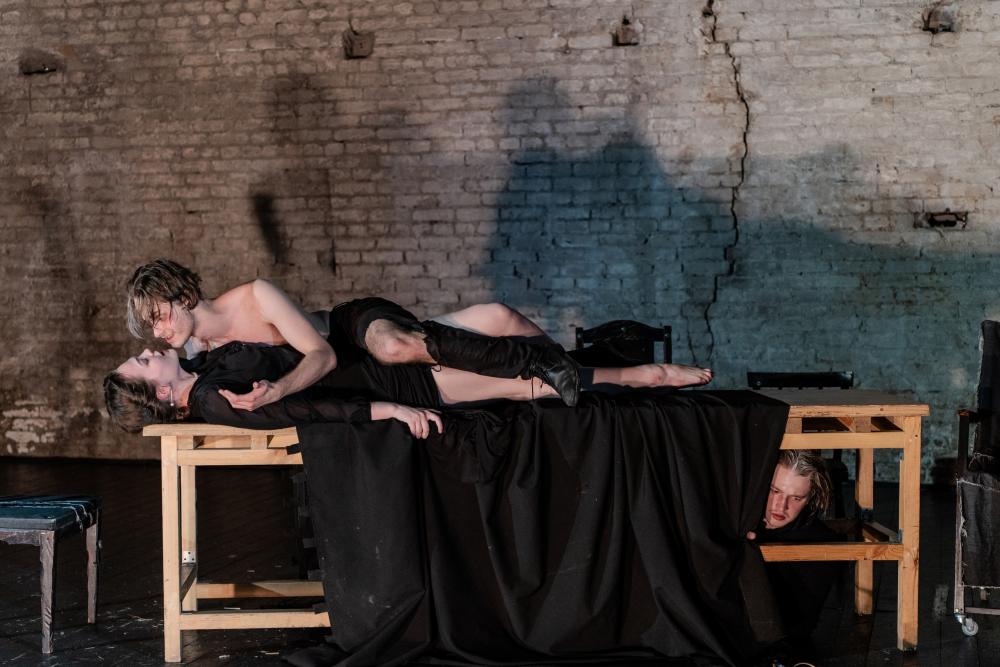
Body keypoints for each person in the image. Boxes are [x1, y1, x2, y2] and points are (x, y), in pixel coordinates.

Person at [125, 259, 712, 411]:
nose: (158, 330)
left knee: (394, 344)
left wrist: (277, 391)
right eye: (150, 326)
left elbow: (321, 354)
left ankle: (579, 366)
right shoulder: (196, 354)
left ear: (182, 295)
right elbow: (179, 393)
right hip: (369, 378)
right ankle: (626, 371)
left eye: (158, 315)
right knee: (498, 319)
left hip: (355, 331)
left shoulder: (256, 296)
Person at [104, 344, 705, 436]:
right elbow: (307, 410)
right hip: (392, 381)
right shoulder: (213, 400)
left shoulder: (204, 370)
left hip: (374, 361)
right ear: (158, 395)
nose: (148, 352)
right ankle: (643, 379)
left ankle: (636, 378)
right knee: (528, 385)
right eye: (142, 364)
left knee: (508, 343)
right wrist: (392, 408)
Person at [748, 450, 844, 640]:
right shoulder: (739, 524)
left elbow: (800, 627)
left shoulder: (821, 544)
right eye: (775, 491)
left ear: (809, 499)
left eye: (796, 498)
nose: (780, 505)